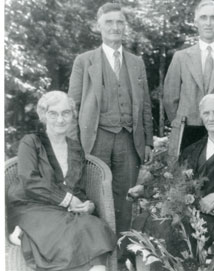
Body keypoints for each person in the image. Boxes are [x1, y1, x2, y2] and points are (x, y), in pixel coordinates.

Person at [68, 2, 154, 265]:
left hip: (129, 139)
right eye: (109, 23)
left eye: (119, 22)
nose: (115, 27)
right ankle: (98, 258)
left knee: (126, 199)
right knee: (96, 198)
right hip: (97, 138)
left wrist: (148, 140)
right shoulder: (85, 61)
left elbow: (146, 104)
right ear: (99, 26)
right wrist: (73, 144)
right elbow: (73, 106)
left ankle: (123, 257)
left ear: (124, 27)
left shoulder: (136, 63)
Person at [130, 94, 214, 271]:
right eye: (206, 113)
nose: (211, 118)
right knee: (145, 220)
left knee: (169, 228)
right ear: (201, 117)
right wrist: (144, 188)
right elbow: (171, 179)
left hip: (212, 216)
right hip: (186, 210)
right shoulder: (192, 149)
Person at [7, 91, 116, 271]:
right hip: (30, 206)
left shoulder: (75, 148)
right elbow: (29, 181)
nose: (60, 119)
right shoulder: (31, 142)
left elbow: (77, 189)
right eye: (53, 113)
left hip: (61, 210)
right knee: (68, 234)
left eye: (65, 113)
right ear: (44, 115)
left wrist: (87, 205)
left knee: (94, 226)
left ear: (72, 115)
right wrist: (68, 200)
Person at [163, 0, 214, 156]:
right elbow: (170, 98)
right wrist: (182, 122)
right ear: (196, 22)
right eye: (203, 17)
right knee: (184, 178)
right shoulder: (180, 58)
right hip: (186, 131)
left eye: (213, 18)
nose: (208, 23)